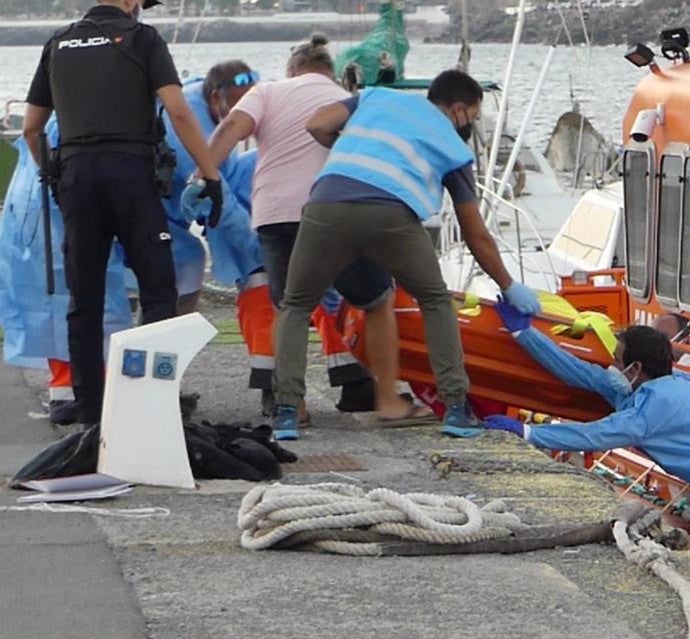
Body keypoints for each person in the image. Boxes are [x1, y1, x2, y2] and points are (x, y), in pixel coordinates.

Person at [269, 70, 541, 440]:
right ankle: (457, 410)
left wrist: (351, 155)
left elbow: (317, 123)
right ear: (459, 110)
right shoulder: (454, 148)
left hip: (325, 207)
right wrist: (508, 287)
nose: (470, 126)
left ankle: (286, 413)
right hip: (390, 216)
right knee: (434, 300)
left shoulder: (378, 98)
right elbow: (475, 235)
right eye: (473, 118)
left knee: (296, 305)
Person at [485, 300, 690, 577]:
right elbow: (579, 372)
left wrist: (528, 431)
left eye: (617, 358)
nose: (612, 365)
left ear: (636, 367)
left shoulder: (656, 406)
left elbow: (596, 433)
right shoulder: (671, 382)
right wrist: (523, 333)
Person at [22, 0, 222, 426]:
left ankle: (90, 408)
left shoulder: (57, 43)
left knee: (85, 297)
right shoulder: (143, 38)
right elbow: (179, 109)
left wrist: (56, 179)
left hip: (77, 175)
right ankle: (154, 404)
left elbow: (31, 127)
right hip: (130, 172)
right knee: (156, 290)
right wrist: (211, 175)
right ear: (132, 4)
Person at [197, 41, 380, 416]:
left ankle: (285, 401)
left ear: (291, 71)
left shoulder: (265, 101)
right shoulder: (349, 101)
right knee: (361, 298)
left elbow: (230, 131)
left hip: (274, 218)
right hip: (332, 212)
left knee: (283, 305)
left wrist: (199, 178)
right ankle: (365, 384)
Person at [0, 115, 132, 425]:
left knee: (57, 309)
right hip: (61, 222)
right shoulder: (82, 128)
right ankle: (93, 392)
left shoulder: (50, 130)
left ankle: (67, 391)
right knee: (93, 309)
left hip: (37, 227)